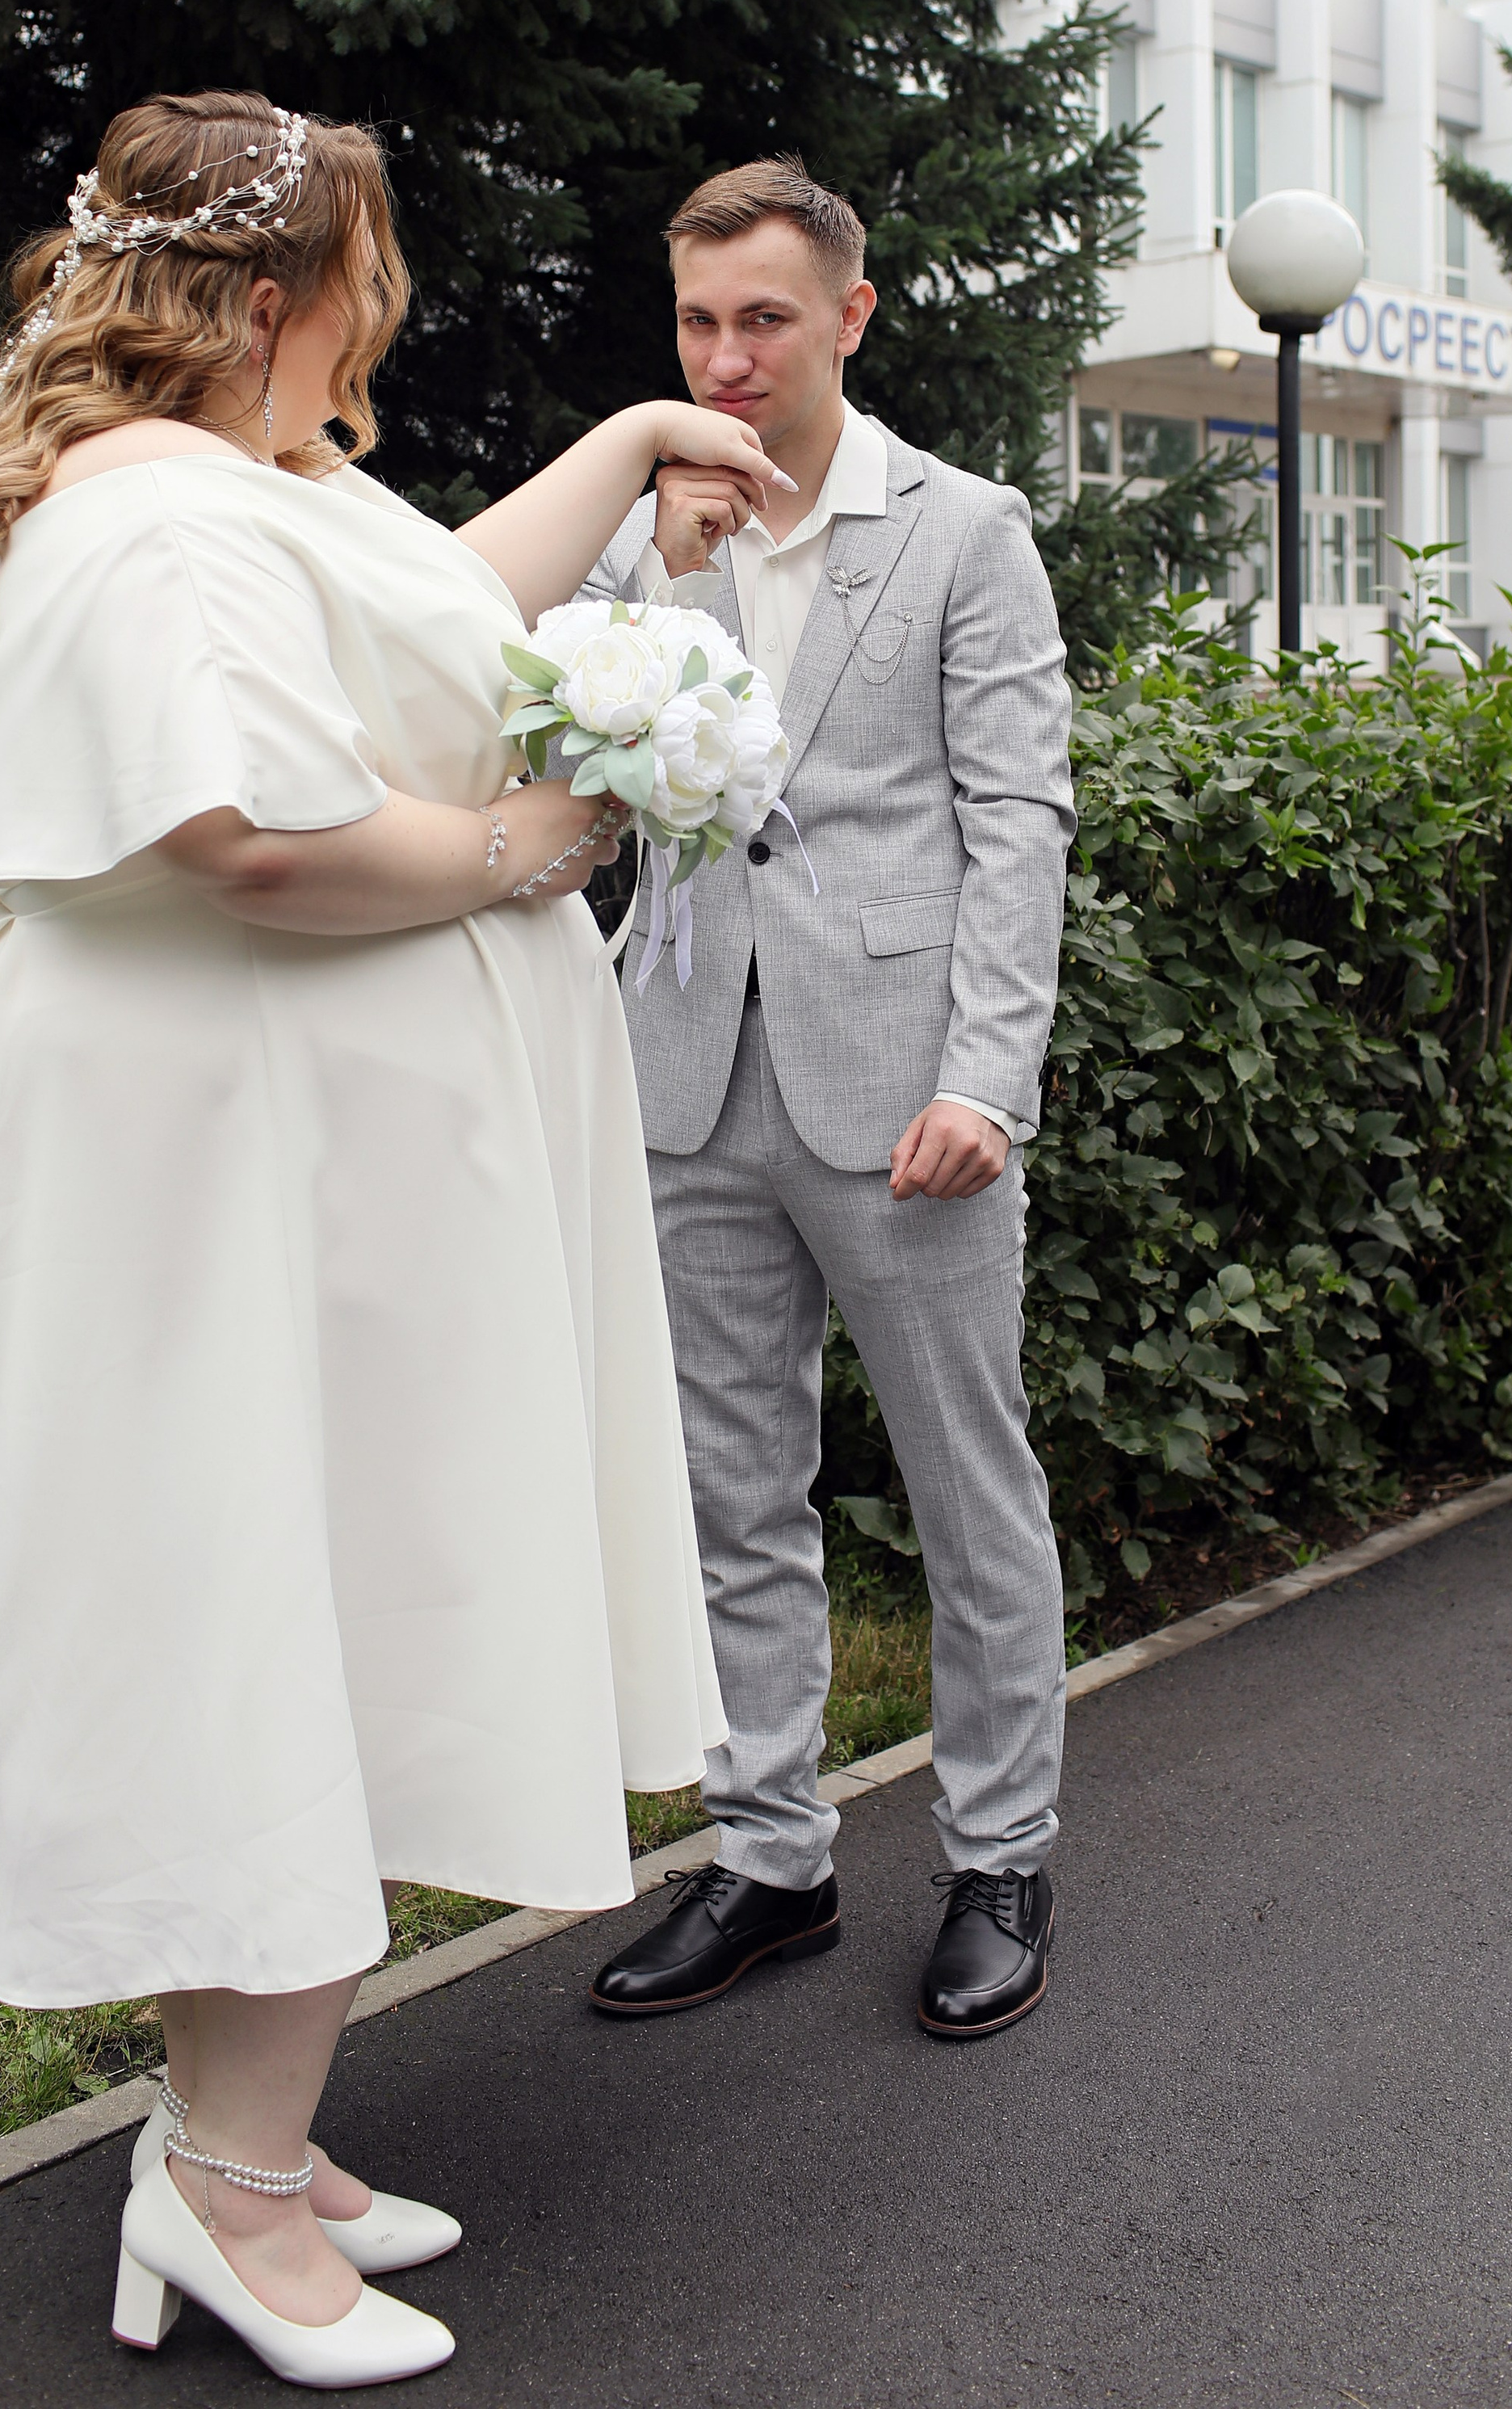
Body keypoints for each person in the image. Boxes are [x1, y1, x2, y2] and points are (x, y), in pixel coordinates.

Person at [0, 92, 780, 2387]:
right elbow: (253, 838)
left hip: (264, 1160)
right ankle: (228, 2191)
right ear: (269, 299)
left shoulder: (236, 484)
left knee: (289, 1601)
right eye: (366, 283)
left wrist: (636, 435)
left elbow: (439, 601)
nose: (381, 319)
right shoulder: (164, 526)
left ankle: (231, 2132)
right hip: (223, 1175)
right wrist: (535, 837)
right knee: (272, 1608)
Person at [581, 157, 1077, 2041]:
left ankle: (999, 1854)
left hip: (902, 1098)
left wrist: (987, 1082)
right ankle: (769, 1853)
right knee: (729, 1485)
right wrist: (669, 566)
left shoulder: (963, 530)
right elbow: (587, 764)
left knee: (967, 1482)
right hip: (683, 1073)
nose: (724, 357)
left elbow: (1015, 822)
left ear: (848, 317)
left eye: (763, 319)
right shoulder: (645, 531)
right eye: (697, 320)